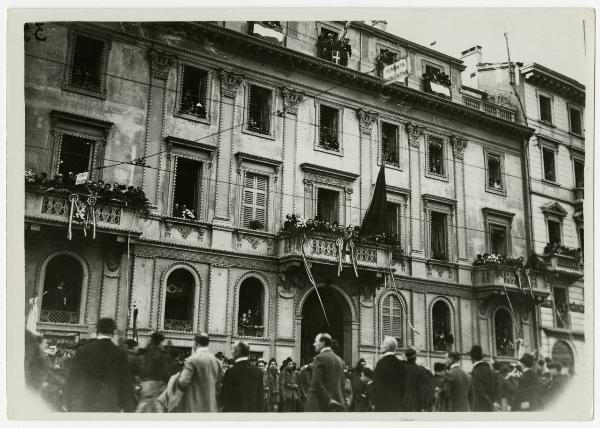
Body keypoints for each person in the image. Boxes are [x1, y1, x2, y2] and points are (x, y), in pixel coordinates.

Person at [65, 318, 134, 412]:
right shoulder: (120, 353)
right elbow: (125, 383)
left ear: (97, 331)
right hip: (109, 405)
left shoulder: (83, 351)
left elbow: (73, 378)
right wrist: (127, 408)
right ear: (113, 332)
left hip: (86, 403)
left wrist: (67, 402)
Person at [175, 333, 223, 412]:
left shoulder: (191, 360)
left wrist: (176, 379)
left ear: (195, 343)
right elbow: (218, 386)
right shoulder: (217, 361)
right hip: (211, 407)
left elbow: (183, 382)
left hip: (194, 407)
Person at [304, 333, 346, 412]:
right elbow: (342, 385)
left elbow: (316, 382)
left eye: (316, 341)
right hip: (336, 405)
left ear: (322, 343)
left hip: (318, 405)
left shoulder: (320, 358)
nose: (314, 344)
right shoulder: (340, 361)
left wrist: (328, 399)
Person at [219, 341, 264, 412]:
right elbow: (260, 398)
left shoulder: (230, 372)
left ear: (237, 352)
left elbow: (224, 397)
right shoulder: (258, 372)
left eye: (233, 350)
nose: (232, 352)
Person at [137, 332, 170, 412]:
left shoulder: (147, 351)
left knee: (145, 404)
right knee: (157, 406)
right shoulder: (159, 353)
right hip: (156, 382)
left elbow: (144, 367)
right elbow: (164, 369)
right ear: (160, 342)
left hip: (145, 382)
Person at [373, 336, 406, 412]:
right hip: (397, 404)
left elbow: (377, 385)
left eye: (383, 343)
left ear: (387, 347)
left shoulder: (380, 363)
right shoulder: (400, 364)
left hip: (383, 405)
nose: (380, 346)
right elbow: (403, 386)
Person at [402, 347, 435, 412]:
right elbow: (425, 389)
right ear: (415, 358)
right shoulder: (421, 370)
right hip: (415, 402)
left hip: (401, 402)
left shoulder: (400, 369)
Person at [468, 345, 498, 411]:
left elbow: (478, 392)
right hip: (491, 408)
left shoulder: (476, 371)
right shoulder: (490, 370)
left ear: (472, 358)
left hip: (480, 408)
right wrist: (492, 403)